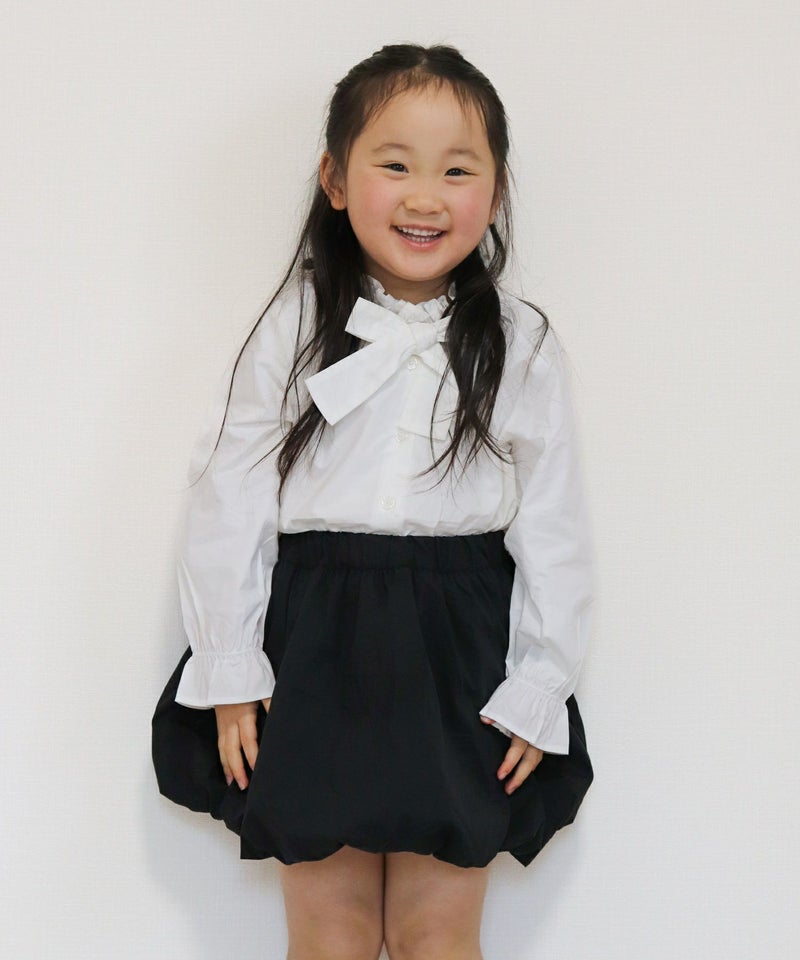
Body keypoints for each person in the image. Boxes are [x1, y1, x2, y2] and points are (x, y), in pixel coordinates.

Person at [152, 41, 596, 960]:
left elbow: (554, 523)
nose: (426, 196)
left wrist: (540, 681)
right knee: (331, 934)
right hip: (316, 640)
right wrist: (232, 667)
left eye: (457, 171)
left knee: (439, 934)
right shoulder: (294, 326)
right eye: (395, 165)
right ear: (335, 178)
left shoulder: (520, 343)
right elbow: (232, 492)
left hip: (461, 650)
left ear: (495, 192)